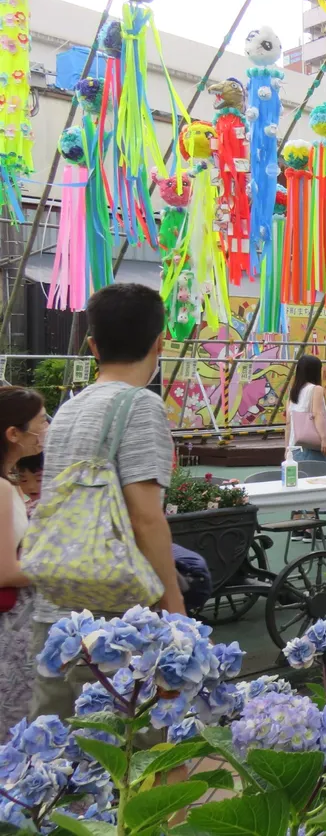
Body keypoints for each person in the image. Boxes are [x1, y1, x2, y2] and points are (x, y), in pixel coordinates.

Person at [31, 284, 184, 719]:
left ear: (93, 345)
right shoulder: (138, 405)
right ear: (160, 341)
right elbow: (146, 519)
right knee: (134, 759)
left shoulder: (68, 410)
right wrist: (176, 612)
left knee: (64, 766)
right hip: (116, 621)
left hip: (57, 613)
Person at [0, 388, 47, 732]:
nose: (46, 428)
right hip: (11, 629)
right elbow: (5, 571)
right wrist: (61, 568)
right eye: (41, 421)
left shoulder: (10, 483)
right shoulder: (2, 489)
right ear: (13, 434)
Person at [285, 354, 326, 463]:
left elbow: (288, 424)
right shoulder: (316, 389)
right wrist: (324, 438)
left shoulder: (293, 393)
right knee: (321, 478)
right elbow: (317, 414)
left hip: (295, 448)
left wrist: (286, 449)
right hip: (313, 446)